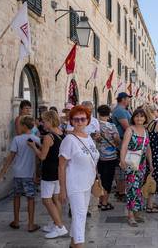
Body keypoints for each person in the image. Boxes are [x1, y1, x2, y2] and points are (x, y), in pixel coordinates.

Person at [58, 105, 100, 248]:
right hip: (74, 184)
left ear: (88, 120)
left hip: (87, 183)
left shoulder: (88, 138)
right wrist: (62, 189)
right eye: (76, 119)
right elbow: (62, 166)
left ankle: (72, 244)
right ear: (71, 121)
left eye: (83, 119)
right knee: (80, 216)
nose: (80, 122)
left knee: (79, 216)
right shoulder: (69, 140)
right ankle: (79, 245)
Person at [0, 115, 41, 232]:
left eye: (20, 125)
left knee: (17, 197)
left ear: (24, 126)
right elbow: (40, 155)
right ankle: (31, 224)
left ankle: (16, 221)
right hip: (29, 174)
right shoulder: (36, 139)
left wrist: (2, 172)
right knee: (30, 198)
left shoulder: (17, 139)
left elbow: (11, 157)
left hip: (17, 173)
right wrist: (37, 174)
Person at [28, 110, 68, 238]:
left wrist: (33, 147)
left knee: (46, 200)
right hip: (59, 171)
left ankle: (60, 226)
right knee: (55, 199)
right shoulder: (62, 134)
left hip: (49, 172)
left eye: (44, 120)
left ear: (50, 121)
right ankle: (55, 224)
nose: (42, 123)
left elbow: (42, 156)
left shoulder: (48, 137)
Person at [120, 108, 153, 227]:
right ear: (133, 118)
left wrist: (151, 163)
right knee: (131, 188)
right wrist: (122, 160)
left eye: (142, 116)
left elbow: (148, 148)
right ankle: (130, 215)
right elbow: (124, 146)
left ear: (145, 118)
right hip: (131, 163)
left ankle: (136, 211)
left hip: (142, 164)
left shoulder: (145, 130)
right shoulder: (130, 130)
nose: (139, 118)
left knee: (138, 188)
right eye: (137, 116)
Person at [96, 105, 120, 211]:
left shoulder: (95, 125)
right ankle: (105, 203)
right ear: (109, 114)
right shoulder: (111, 126)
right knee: (108, 180)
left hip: (98, 157)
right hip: (110, 158)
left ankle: (101, 200)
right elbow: (117, 140)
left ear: (98, 113)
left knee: (100, 179)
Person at [112, 92, 132, 200]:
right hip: (122, 142)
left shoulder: (123, 110)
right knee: (122, 167)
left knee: (122, 167)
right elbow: (127, 127)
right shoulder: (120, 111)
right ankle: (121, 192)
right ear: (123, 99)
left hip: (124, 141)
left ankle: (121, 191)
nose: (129, 100)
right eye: (128, 98)